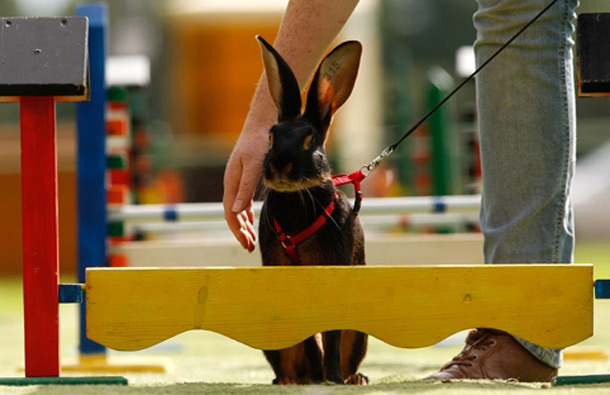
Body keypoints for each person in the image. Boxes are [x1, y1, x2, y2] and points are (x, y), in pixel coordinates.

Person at [223, 0, 578, 382]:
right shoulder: (274, 201)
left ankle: (523, 331)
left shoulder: (333, 210)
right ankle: (293, 370)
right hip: (288, 284)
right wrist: (261, 123)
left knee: (518, 11)